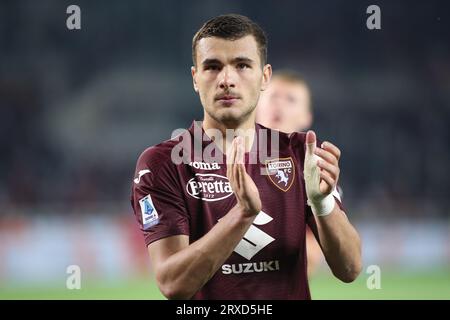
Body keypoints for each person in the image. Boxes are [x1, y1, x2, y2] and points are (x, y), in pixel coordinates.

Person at [131, 14, 362, 300]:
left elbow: (350, 269)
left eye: (242, 65)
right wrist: (242, 214)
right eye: (213, 67)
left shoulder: (301, 153)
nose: (227, 79)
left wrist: (322, 203)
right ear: (195, 78)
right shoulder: (163, 164)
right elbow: (173, 284)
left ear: (264, 76)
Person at [256, 71, 322, 277]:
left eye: (291, 99)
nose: (279, 105)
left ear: (306, 117)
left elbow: (311, 257)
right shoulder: (221, 156)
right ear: (257, 105)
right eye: (273, 96)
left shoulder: (312, 169)